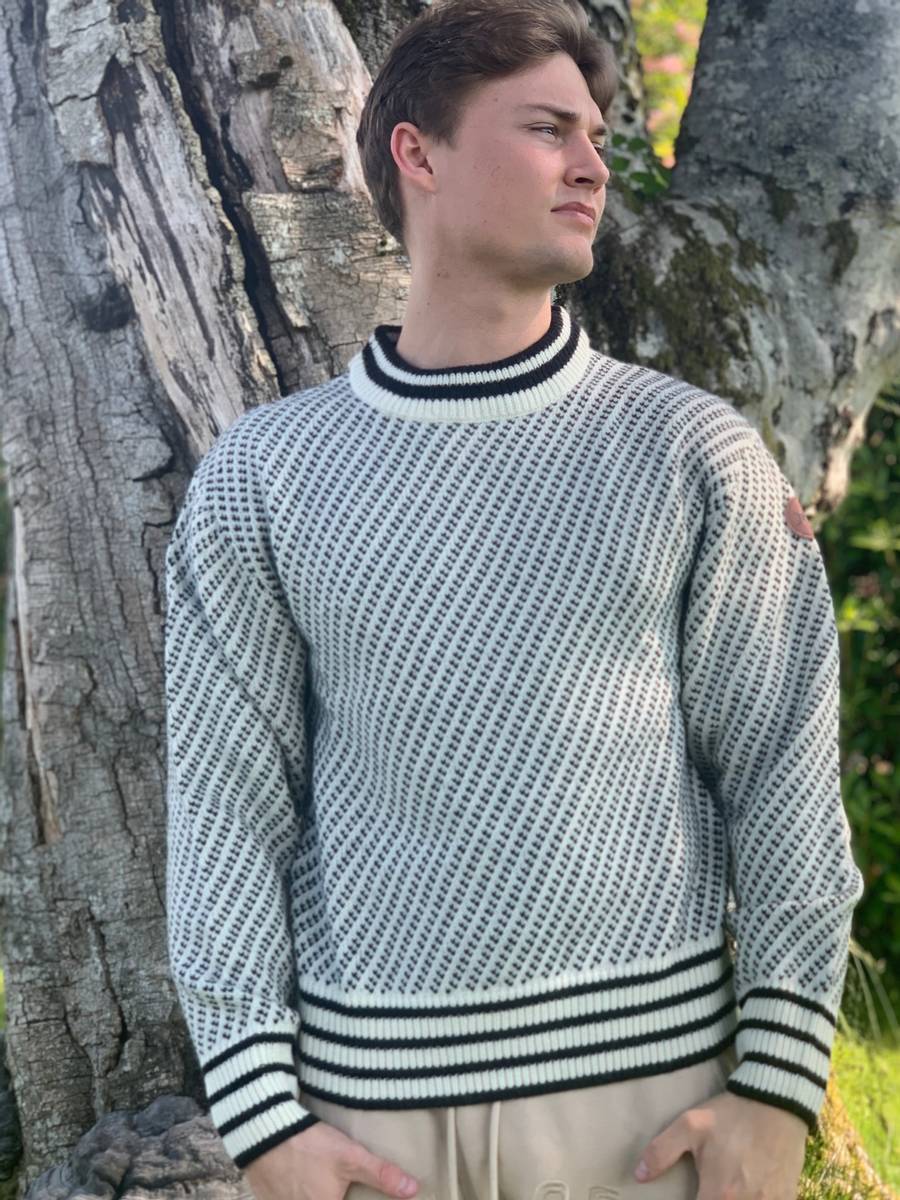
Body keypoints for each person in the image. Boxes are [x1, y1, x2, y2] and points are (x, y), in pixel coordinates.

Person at [163, 1, 865, 1198]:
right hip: (371, 1126)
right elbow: (224, 809)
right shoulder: (266, 475)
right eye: (548, 130)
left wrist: (778, 1084)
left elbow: (782, 780)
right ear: (419, 154)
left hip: (655, 1114)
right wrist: (262, 1117)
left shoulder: (693, 452)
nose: (592, 163)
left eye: (595, 135)